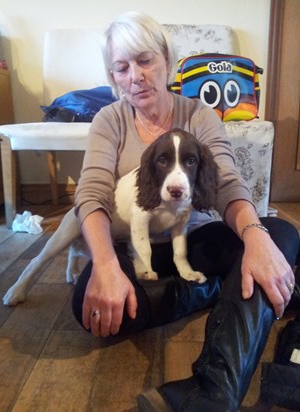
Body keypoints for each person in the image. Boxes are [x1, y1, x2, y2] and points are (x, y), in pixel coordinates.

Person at [72, 11, 300, 412]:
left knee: (279, 236)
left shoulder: (198, 115)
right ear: (113, 77)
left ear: (166, 59)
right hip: (136, 248)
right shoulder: (109, 120)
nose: (136, 76)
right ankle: (212, 289)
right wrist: (106, 264)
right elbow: (90, 193)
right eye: (122, 68)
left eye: (145, 61)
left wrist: (254, 236)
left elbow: (227, 182)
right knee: (90, 309)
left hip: (194, 239)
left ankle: (213, 390)